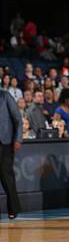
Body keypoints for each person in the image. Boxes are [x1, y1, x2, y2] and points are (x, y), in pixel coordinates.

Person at [0, 85, 22, 218]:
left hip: (5, 142)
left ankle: (13, 209)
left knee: (6, 176)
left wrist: (18, 139)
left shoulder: (5, 96)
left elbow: (18, 119)